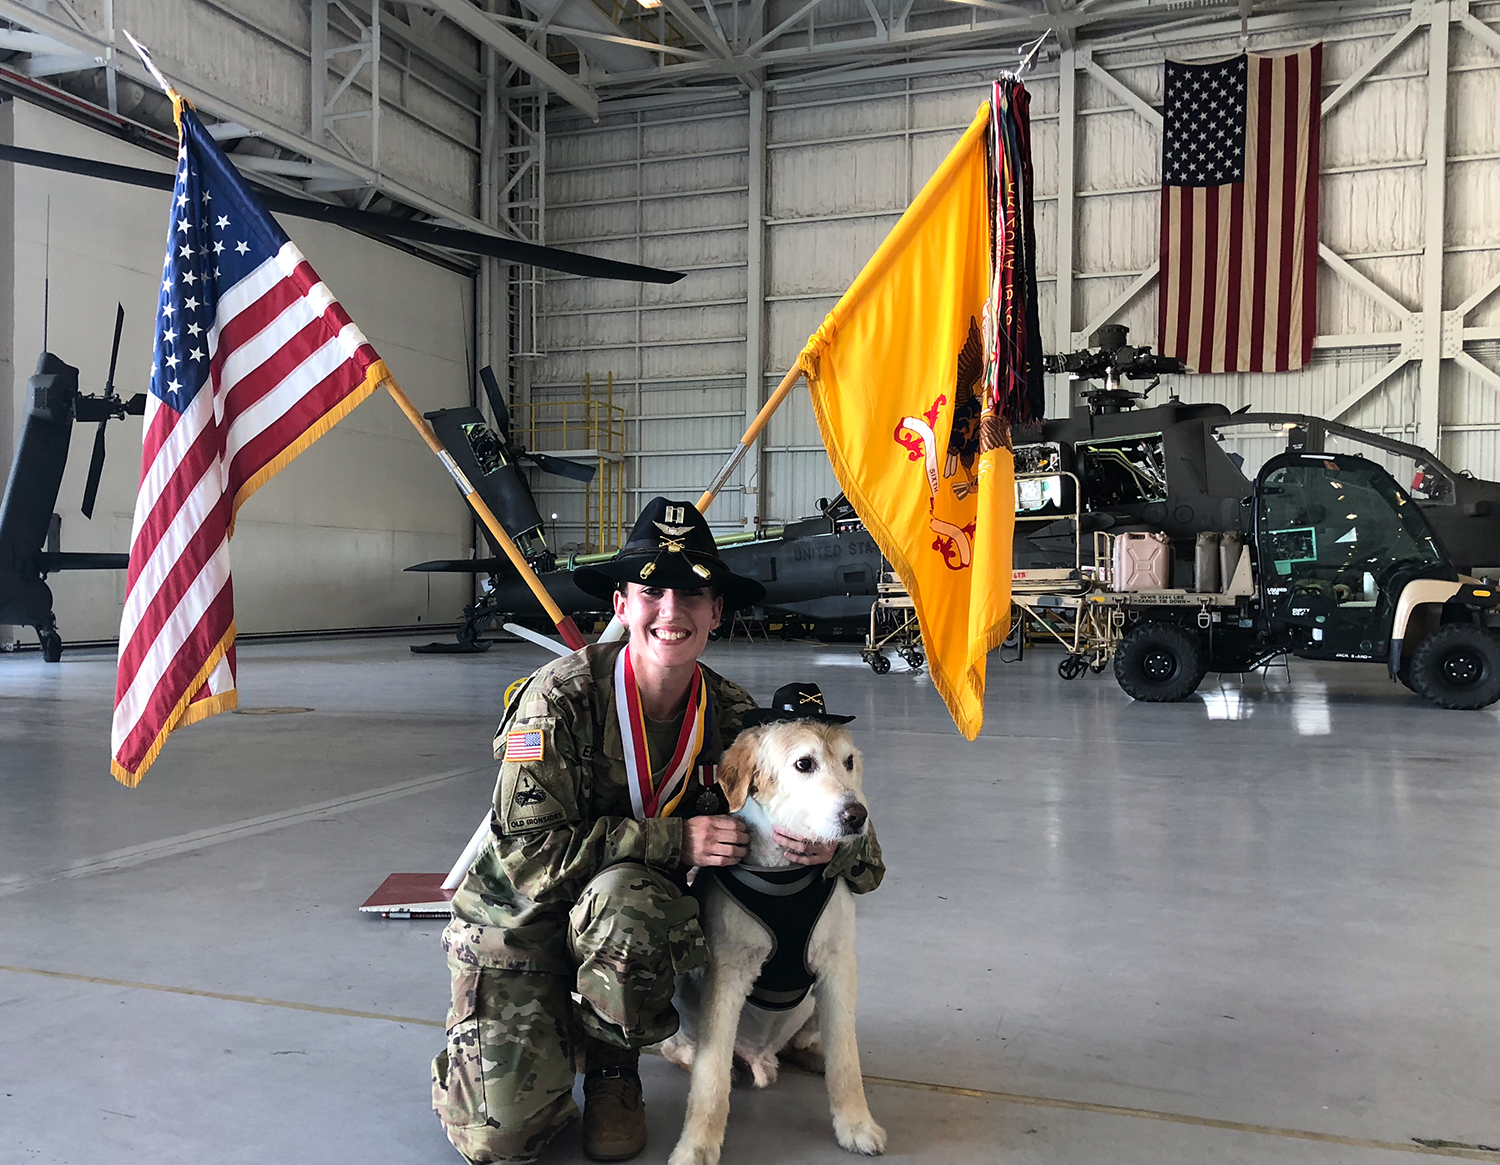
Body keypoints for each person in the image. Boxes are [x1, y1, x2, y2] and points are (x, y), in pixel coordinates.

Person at [431, 497, 885, 1164]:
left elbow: (864, 867)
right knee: (500, 1138)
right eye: (651, 591)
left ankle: (615, 1061)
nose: (671, 611)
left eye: (693, 593)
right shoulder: (556, 701)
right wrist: (676, 841)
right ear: (620, 604)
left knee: (635, 903)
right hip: (523, 927)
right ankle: (531, 1028)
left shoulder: (733, 717)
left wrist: (830, 840)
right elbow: (527, 856)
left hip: (620, 931)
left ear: (716, 612)